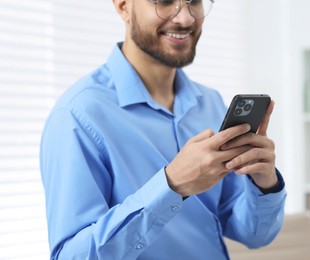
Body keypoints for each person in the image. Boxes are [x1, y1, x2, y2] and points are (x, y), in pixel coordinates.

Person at [40, 0, 287, 259]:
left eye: (194, 1)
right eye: (164, 1)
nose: (185, 19)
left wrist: (264, 182)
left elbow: (254, 234)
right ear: (124, 6)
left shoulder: (210, 103)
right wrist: (172, 186)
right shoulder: (77, 115)